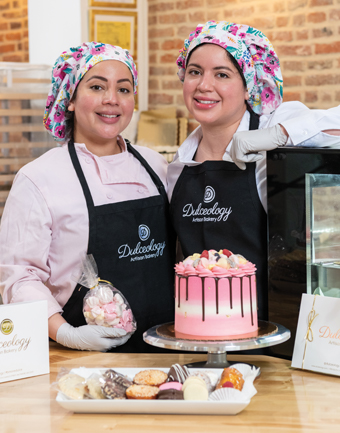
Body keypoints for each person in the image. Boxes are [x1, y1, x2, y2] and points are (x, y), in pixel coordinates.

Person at [0, 42, 175, 352]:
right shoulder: (38, 179)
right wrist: (67, 334)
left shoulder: (157, 166)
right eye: (97, 86)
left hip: (167, 347)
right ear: (70, 99)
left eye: (124, 89)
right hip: (82, 359)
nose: (112, 100)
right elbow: (18, 277)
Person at [167, 21, 340, 320]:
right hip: (201, 332)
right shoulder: (178, 165)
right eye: (194, 72)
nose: (204, 85)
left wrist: (279, 135)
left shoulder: (275, 125)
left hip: (274, 327)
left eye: (222, 74)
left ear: (250, 86)